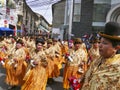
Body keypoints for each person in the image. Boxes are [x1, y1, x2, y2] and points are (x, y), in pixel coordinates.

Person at [81, 22, 120, 90]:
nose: (100, 45)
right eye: (100, 42)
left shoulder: (117, 67)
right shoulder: (97, 60)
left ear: (116, 48)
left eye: (105, 43)